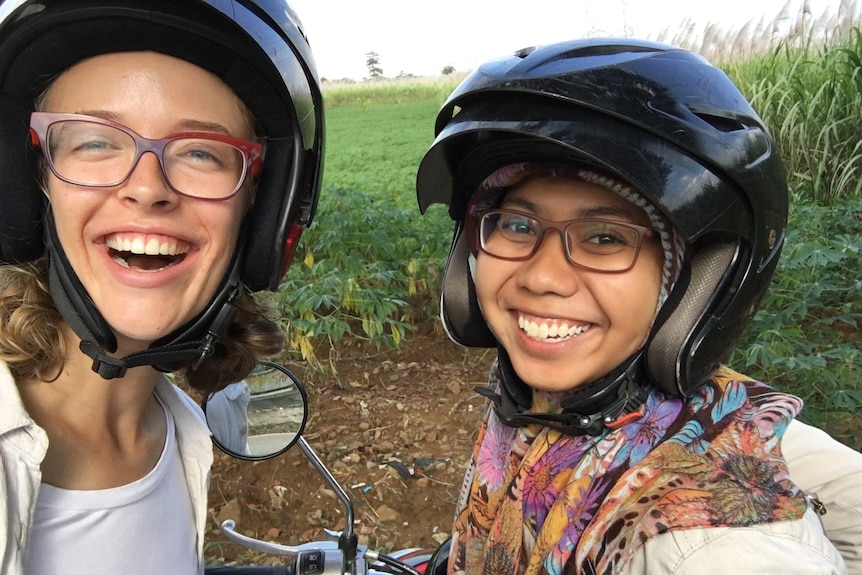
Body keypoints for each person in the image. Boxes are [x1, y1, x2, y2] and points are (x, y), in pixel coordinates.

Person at [416, 38, 859, 574]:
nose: (542, 277)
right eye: (516, 224)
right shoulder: (569, 406)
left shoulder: (714, 553)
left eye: (605, 237)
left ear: (693, 286)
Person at [0, 1, 323, 573]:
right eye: (95, 142)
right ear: (34, 185)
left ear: (261, 212)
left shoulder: (181, 433)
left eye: (201, 151)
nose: (147, 189)